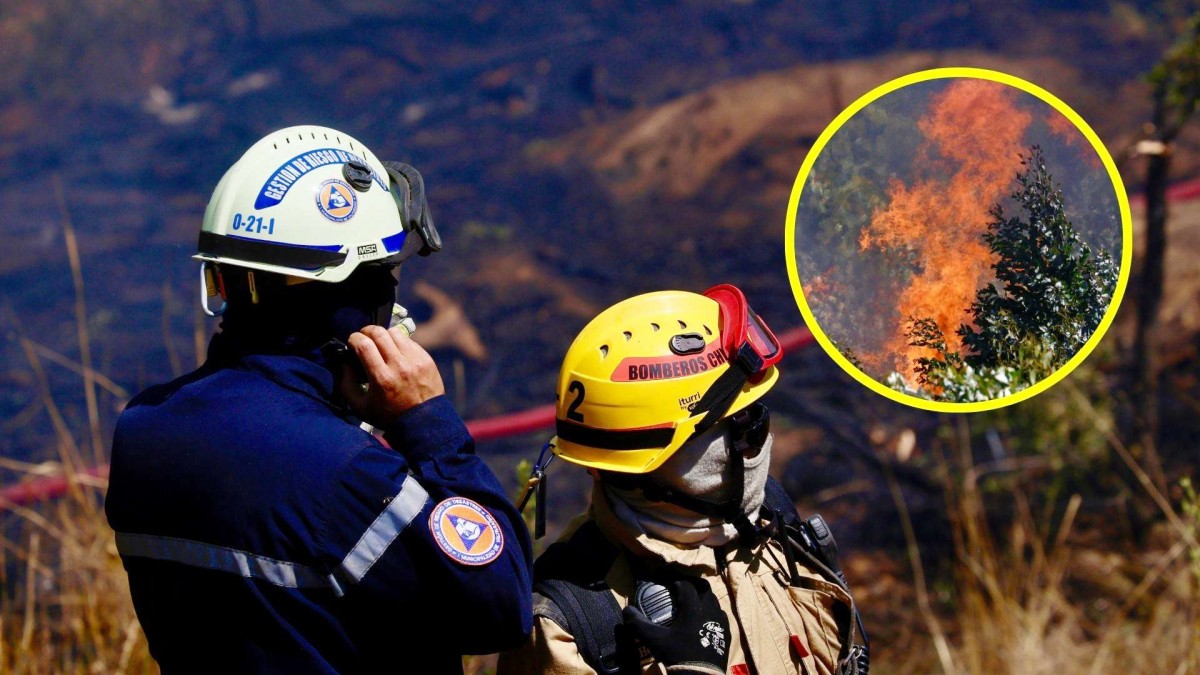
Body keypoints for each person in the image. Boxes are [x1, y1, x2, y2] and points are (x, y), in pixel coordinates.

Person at [104, 125, 533, 673]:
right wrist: (428, 424)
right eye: (387, 275)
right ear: (358, 295)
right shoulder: (348, 474)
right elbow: (502, 607)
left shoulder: (141, 430)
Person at [497, 285, 868, 675]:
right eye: (744, 425)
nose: (759, 441)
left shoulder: (769, 521)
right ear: (661, 459)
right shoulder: (567, 625)